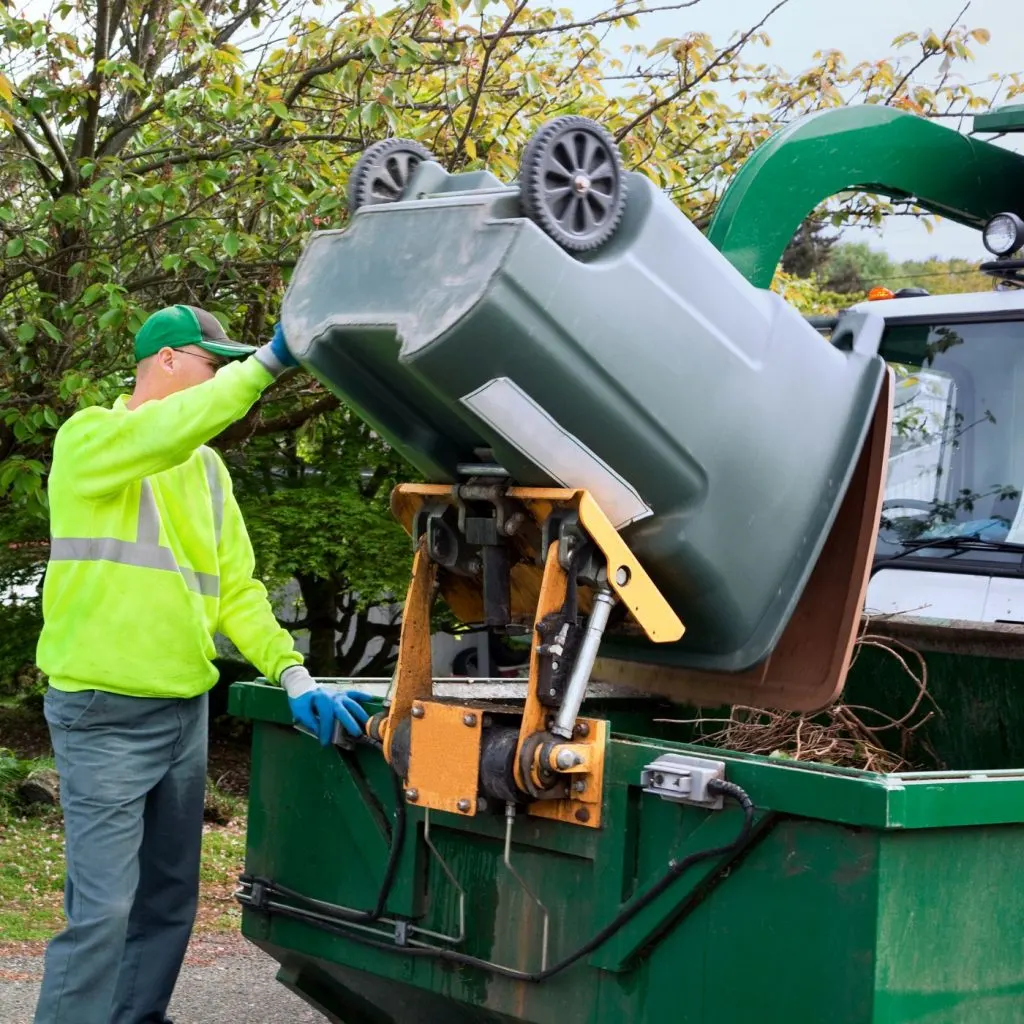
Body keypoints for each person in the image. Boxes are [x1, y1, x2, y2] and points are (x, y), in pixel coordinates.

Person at [32, 304, 372, 1024]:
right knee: (102, 911)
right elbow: (165, 430)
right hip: (102, 712)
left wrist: (292, 672)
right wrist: (269, 366)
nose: (220, 378)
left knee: (167, 900)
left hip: (182, 712)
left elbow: (238, 592)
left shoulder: (209, 472)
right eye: (211, 364)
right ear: (164, 361)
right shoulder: (89, 439)